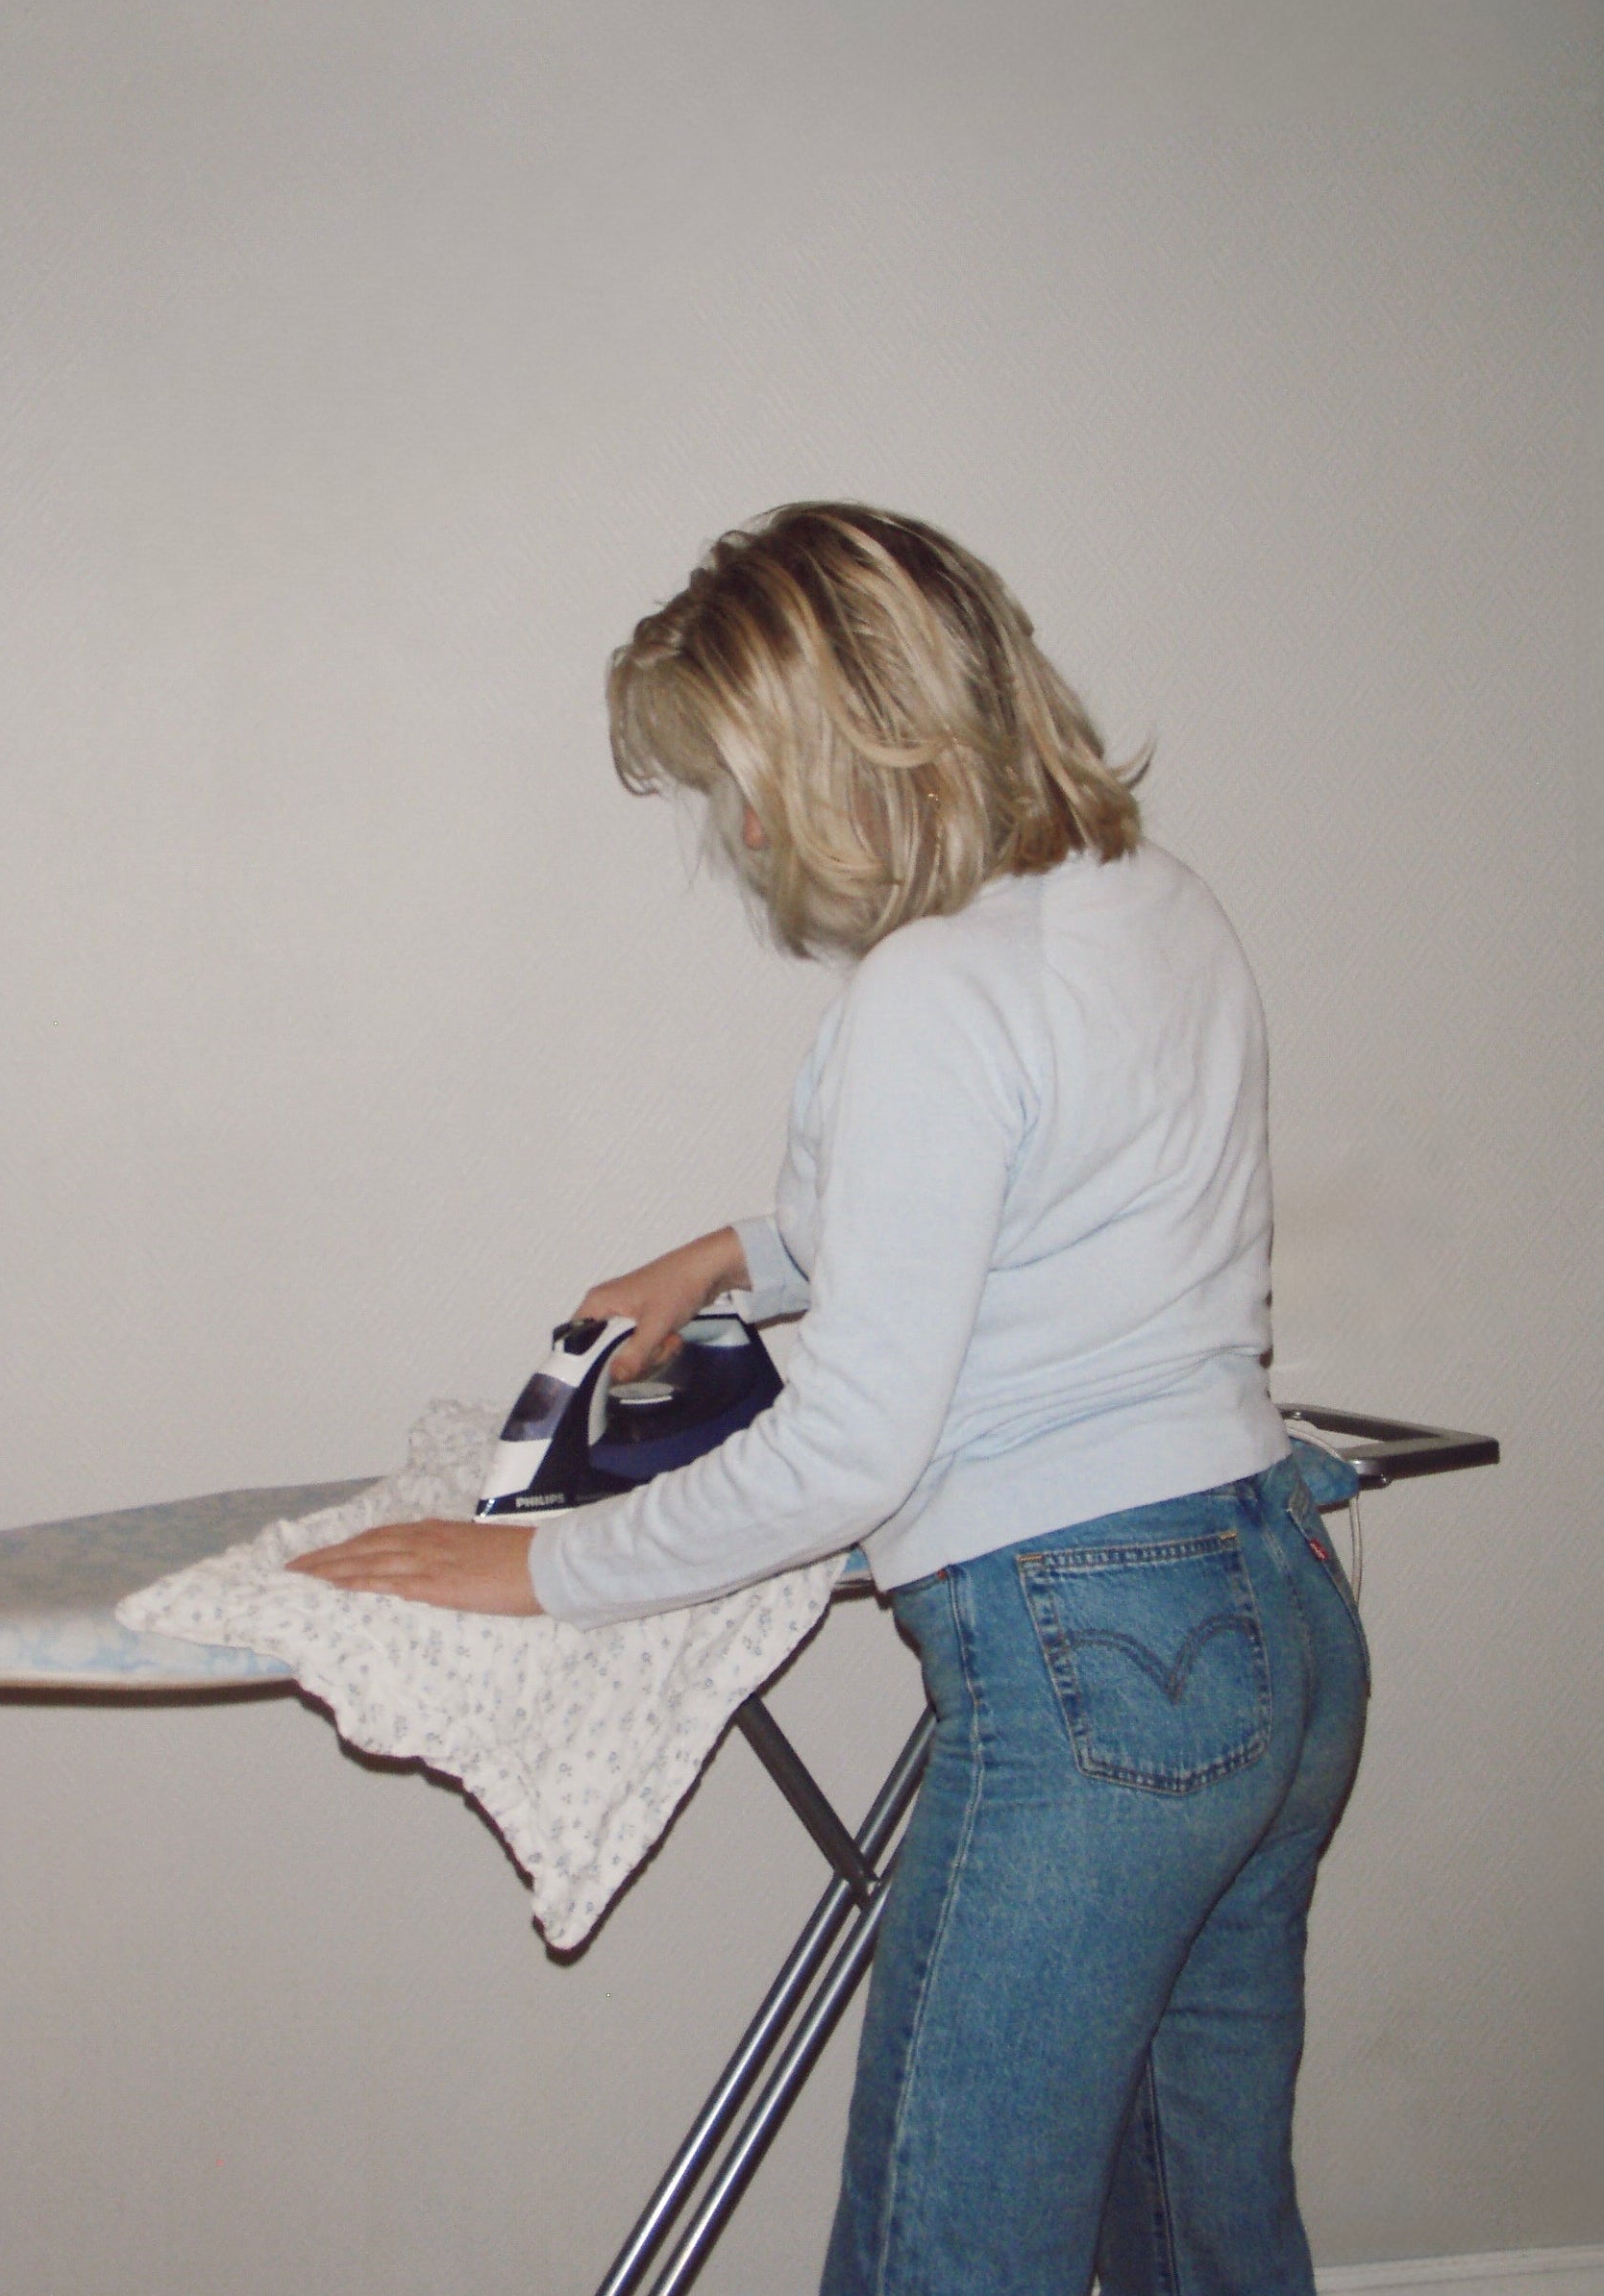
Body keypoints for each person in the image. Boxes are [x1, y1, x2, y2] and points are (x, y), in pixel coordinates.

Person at [290, 504, 1370, 2295]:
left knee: (950, 2254)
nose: (755, 832)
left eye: (751, 780)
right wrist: (730, 1254)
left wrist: (536, 1569)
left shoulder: (929, 998)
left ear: (857, 742)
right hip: (1279, 1617)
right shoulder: (1153, 908)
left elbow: (853, 1447)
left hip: (1092, 1685)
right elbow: (1039, 1186)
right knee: (1209, 2243)